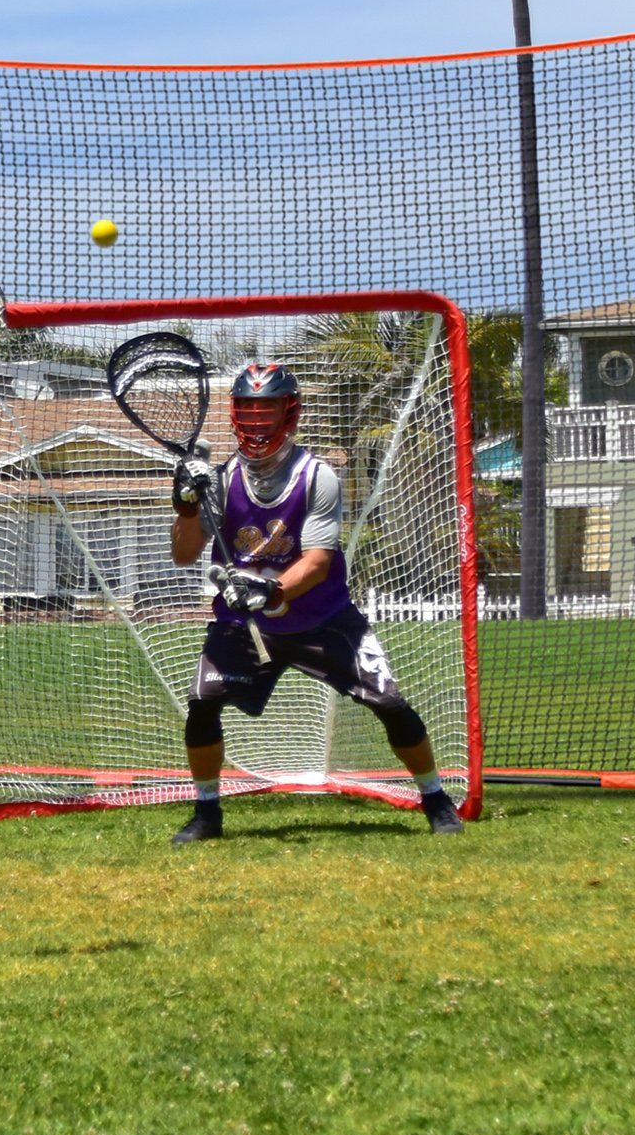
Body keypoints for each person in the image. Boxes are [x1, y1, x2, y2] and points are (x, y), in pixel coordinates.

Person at [168, 360, 463, 843]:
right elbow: (183, 553)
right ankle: (206, 813)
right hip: (246, 626)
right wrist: (184, 503)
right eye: (247, 409)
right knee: (202, 704)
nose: (257, 420)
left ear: (290, 412)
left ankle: (434, 798)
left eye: (267, 409)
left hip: (321, 618)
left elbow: (319, 561)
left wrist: (271, 590)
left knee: (389, 702)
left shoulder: (316, 476)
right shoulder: (218, 481)